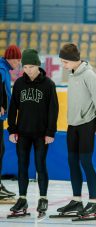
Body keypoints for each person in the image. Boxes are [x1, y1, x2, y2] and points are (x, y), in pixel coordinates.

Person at [55, 43, 96, 220]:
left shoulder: (89, 75)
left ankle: (93, 201)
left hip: (87, 124)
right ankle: (77, 200)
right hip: (72, 125)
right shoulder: (73, 74)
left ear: (74, 60)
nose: (63, 65)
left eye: (64, 62)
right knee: (72, 161)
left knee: (86, 162)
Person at [7, 49, 59, 217]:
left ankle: (43, 198)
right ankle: (22, 198)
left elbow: (53, 110)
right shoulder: (19, 84)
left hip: (41, 134)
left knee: (40, 165)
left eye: (31, 66)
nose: (27, 70)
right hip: (22, 133)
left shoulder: (49, 85)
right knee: (22, 166)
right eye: (25, 66)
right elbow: (13, 107)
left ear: (38, 65)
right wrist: (12, 129)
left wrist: (50, 132)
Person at [0, 45, 21, 201]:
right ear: (11, 58)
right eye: (18, 60)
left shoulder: (4, 69)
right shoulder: (1, 69)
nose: (19, 63)